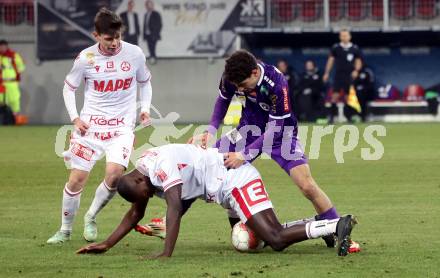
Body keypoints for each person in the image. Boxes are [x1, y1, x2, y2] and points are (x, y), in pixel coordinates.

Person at [77, 144, 357, 258]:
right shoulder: (143, 171)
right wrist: (108, 243)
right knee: (253, 242)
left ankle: (334, 225)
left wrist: (166, 253)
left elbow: (175, 208)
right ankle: (317, 226)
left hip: (235, 180)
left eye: (145, 194)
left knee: (276, 240)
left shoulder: (161, 168)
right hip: (225, 191)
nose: (148, 197)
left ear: (139, 181)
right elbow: (135, 213)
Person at [47, 8, 152, 244]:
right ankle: (64, 230)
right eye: (108, 38)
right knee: (76, 180)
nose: (115, 43)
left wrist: (145, 108)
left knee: (115, 175)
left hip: (121, 128)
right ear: (96, 35)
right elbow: (69, 88)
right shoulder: (86, 58)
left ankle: (91, 216)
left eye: (118, 37)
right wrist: (75, 118)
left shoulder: (134, 54)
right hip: (90, 128)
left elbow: (145, 83)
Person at [323, 29, 362, 123]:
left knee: (349, 97)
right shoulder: (336, 48)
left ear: (350, 36)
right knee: (335, 96)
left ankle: (349, 117)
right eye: (342, 36)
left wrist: (356, 70)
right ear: (340, 37)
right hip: (339, 75)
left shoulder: (355, 48)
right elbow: (330, 61)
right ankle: (331, 117)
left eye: (346, 35)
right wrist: (327, 73)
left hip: (349, 76)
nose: (344, 37)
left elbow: (358, 61)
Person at [0, 39, 25, 116]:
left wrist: (16, 72)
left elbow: (21, 66)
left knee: (14, 99)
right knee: (1, 100)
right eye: (1, 47)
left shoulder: (13, 55)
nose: (2, 48)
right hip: (1, 82)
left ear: (7, 46)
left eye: (4, 46)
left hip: (12, 82)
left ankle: (15, 117)